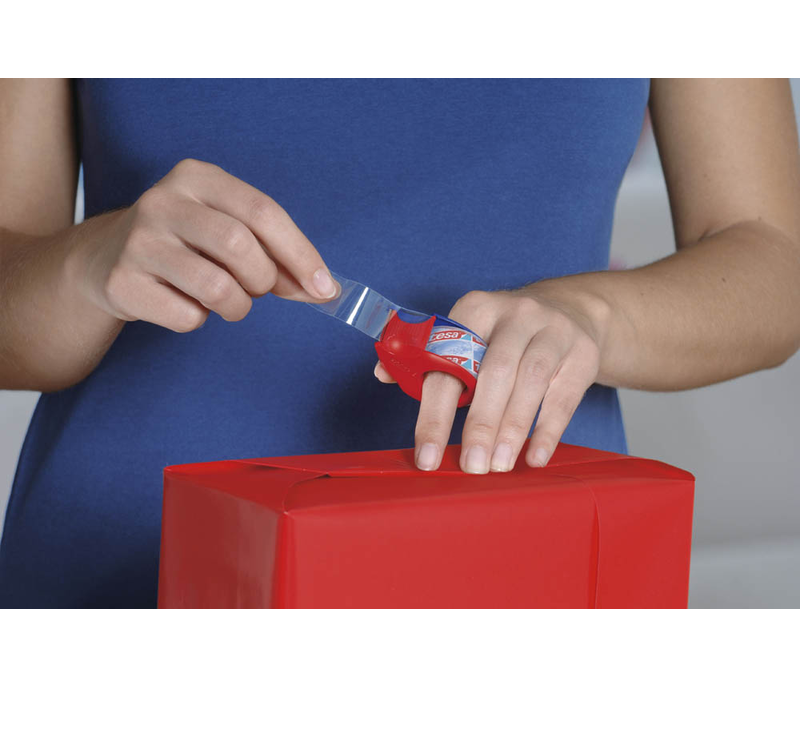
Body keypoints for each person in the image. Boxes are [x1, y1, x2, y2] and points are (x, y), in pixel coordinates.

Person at [1, 78, 799, 609]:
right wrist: (87, 264)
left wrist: (594, 316)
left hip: (519, 558)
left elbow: (773, 260)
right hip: (129, 557)